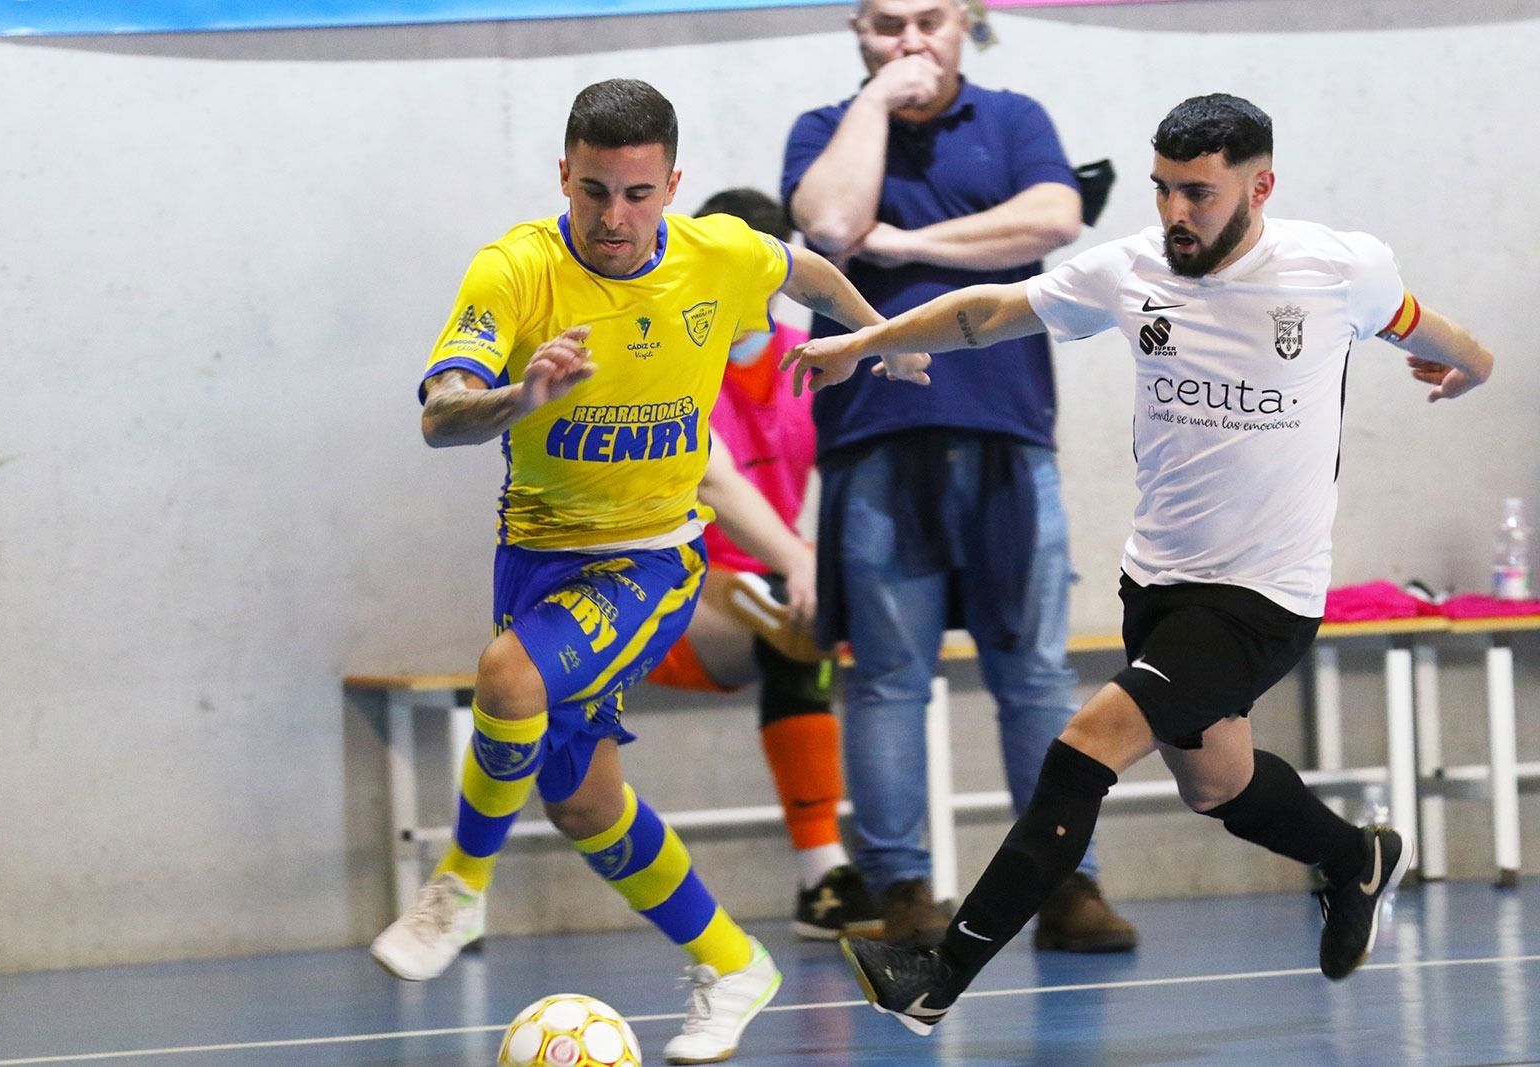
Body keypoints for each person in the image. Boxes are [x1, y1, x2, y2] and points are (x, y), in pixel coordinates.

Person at [787, 92, 1495, 1036]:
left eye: (1199, 194)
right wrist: (865, 341)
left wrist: (1473, 365)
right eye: (1163, 189)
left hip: (1262, 597)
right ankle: (1354, 857)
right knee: (1218, 785)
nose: (1175, 213)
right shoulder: (1131, 270)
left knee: (1086, 745)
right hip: (1157, 582)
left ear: (1261, 187)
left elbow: (1424, 326)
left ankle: (939, 974)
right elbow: (991, 310)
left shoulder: (1337, 269)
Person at [369, 79, 908, 1065]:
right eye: (593, 191)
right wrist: (518, 397)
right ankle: (735, 962)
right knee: (583, 802)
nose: (613, 217)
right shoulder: (515, 268)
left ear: (672, 186)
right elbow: (440, 414)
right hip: (535, 560)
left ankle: (457, 889)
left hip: (653, 558)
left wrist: (871, 337)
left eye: (636, 193)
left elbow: (809, 272)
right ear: (562, 176)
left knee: (507, 678)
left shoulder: (720, 255)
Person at [780, 0, 1135, 952]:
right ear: (856, 32)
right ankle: (902, 892)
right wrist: (876, 103)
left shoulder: (1012, 118)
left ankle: (1064, 882)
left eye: (930, 19)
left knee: (1034, 672)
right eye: (886, 23)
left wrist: (903, 244)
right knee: (889, 678)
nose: (910, 40)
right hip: (874, 433)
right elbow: (831, 224)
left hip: (1006, 429)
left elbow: (1053, 221)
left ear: (965, 23)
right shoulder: (824, 130)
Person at [641, 187, 882, 942]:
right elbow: (713, 481)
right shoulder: (664, 360)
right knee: (797, 607)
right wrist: (799, 561)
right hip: (661, 599)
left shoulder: (813, 361)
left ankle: (860, 871)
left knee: (825, 608)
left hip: (777, 587)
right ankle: (824, 871)